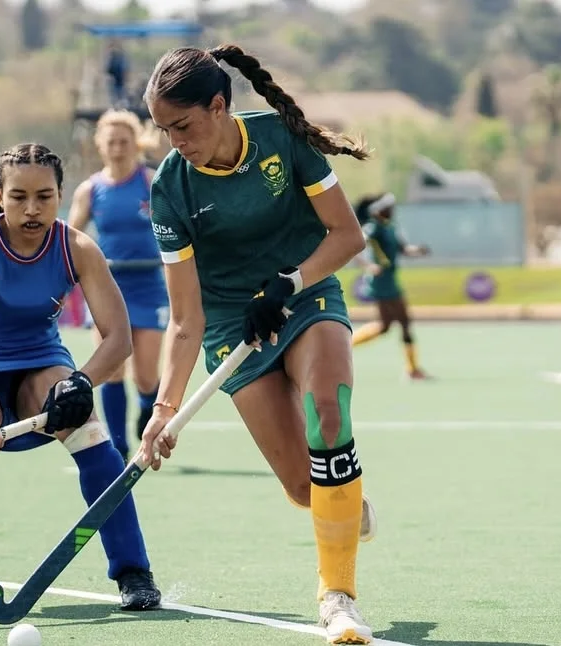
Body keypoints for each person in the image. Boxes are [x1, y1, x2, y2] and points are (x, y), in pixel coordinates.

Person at [138, 45, 378, 645]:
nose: (175, 142)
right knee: (305, 485)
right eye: (163, 129)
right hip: (228, 326)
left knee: (329, 408)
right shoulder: (171, 188)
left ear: (219, 107)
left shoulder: (279, 138)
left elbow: (347, 237)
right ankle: (342, 503)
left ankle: (337, 598)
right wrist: (163, 411)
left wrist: (290, 281)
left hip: (304, 293)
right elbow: (186, 319)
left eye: (184, 126)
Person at [0, 142, 162, 615]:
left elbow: (118, 339)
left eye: (44, 197)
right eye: (19, 197)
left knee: (87, 423)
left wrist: (82, 382)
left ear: (60, 195)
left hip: (38, 355)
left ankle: (134, 570)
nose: (32, 209)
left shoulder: (78, 248)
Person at [68, 110, 169, 461]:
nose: (118, 148)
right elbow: (70, 238)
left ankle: (146, 411)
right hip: (107, 289)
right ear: (101, 146)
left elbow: (177, 229)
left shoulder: (153, 183)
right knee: (111, 369)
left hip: (149, 286)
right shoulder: (90, 190)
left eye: (124, 141)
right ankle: (119, 448)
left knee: (145, 375)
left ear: (135, 143)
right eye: (111, 142)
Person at [349, 192, 432, 380]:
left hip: (390, 279)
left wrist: (418, 250)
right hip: (380, 281)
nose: (392, 211)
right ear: (379, 211)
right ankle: (412, 369)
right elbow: (355, 245)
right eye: (388, 208)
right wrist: (369, 266)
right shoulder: (373, 228)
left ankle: (347, 345)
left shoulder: (391, 228)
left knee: (388, 325)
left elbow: (403, 249)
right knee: (402, 322)